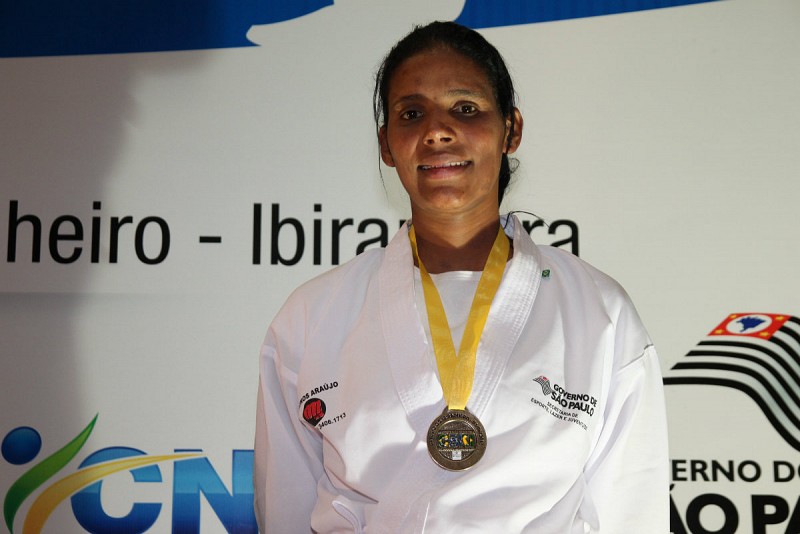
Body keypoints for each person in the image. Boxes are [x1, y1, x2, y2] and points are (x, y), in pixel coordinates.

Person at [253, 21, 669, 533]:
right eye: (412, 114)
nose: (437, 131)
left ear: (511, 130)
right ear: (386, 144)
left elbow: (631, 512)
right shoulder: (312, 315)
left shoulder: (599, 313)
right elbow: (285, 511)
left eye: (466, 108)